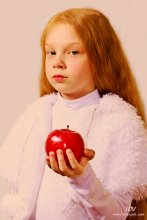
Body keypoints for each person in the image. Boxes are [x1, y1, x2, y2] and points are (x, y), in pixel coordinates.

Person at [0, 7, 147, 220]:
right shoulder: (37, 115)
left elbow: (117, 214)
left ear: (100, 59)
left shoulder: (118, 123)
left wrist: (83, 177)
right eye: (51, 52)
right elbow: (22, 198)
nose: (57, 61)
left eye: (73, 52)